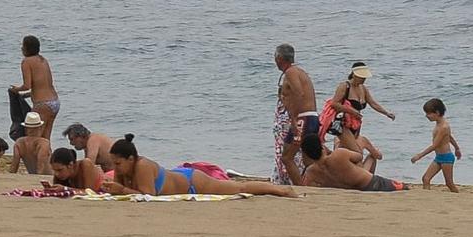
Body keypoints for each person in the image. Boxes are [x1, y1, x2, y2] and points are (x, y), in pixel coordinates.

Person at [101, 135, 296, 198]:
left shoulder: (142, 166)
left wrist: (120, 189)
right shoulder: (123, 170)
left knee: (239, 188)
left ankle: (281, 190)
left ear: (131, 159)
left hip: (191, 181)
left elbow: (147, 196)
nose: (116, 168)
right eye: (114, 164)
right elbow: (122, 193)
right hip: (176, 177)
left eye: (118, 164)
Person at [324, 61, 393, 165]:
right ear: (354, 74)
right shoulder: (344, 86)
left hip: (356, 125)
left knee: (348, 152)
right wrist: (351, 110)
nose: (364, 79)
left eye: (365, 77)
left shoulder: (363, 88)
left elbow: (373, 103)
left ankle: (344, 174)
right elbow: (334, 104)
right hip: (344, 125)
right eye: (362, 77)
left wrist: (386, 113)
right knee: (357, 153)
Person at [274, 43, 318, 185]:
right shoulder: (299, 71)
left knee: (287, 157)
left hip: (303, 117)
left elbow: (299, 93)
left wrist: (293, 120)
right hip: (311, 117)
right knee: (307, 158)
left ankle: (301, 188)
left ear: (280, 58)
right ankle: (314, 183)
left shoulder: (291, 72)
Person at [300, 135, 406, 192]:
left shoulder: (311, 172)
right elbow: (358, 156)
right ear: (322, 147)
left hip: (350, 190)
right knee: (404, 188)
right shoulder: (339, 154)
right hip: (371, 184)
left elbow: (310, 189)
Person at [10, 35, 59, 135]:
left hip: (42, 104)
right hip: (55, 101)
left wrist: (16, 90)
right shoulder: (43, 60)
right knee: (45, 137)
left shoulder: (26, 62)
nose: (21, 48)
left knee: (33, 135)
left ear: (26, 48)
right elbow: (42, 85)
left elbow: (27, 85)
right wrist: (26, 95)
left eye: (23, 46)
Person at [412, 98, 463, 192]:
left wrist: (419, 155)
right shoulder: (438, 124)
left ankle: (458, 197)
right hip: (439, 157)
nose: (427, 116)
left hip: (446, 158)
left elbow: (434, 145)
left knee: (449, 183)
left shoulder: (444, 127)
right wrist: (457, 148)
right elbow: (450, 137)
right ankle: (427, 197)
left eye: (429, 113)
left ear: (437, 113)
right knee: (426, 178)